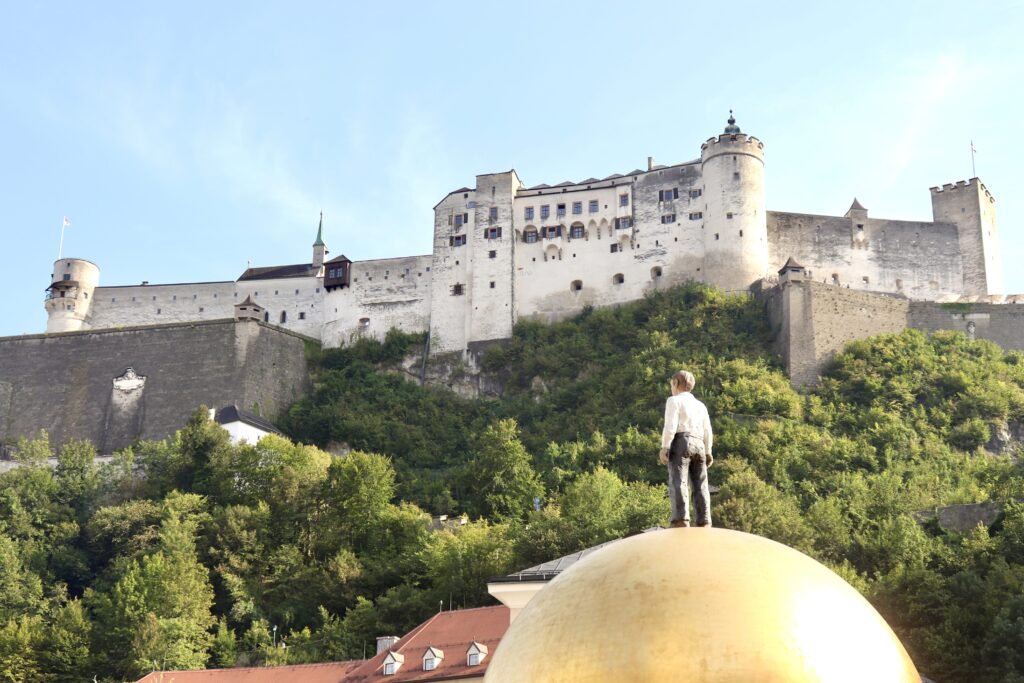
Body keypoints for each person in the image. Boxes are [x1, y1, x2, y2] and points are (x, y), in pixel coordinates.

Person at [658, 370, 713, 528]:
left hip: (681, 441)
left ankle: (681, 519)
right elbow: (707, 430)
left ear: (675, 383)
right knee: (701, 483)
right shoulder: (701, 406)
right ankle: (704, 520)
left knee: (678, 480)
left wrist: (665, 447)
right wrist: (708, 450)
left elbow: (670, 425)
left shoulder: (674, 401)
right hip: (700, 444)